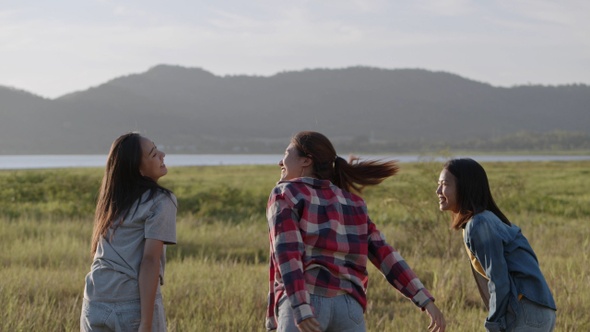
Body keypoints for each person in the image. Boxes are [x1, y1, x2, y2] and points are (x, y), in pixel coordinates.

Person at [266, 131, 446, 332]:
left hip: (307, 302)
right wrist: (423, 298)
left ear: (306, 161)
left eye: (286, 154)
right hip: (349, 310)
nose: (280, 163)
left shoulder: (285, 193)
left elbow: (287, 255)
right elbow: (385, 254)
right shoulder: (353, 202)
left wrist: (300, 307)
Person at [436, 158, 556, 332]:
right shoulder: (485, 220)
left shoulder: (479, 224)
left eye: (445, 184)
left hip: (526, 314)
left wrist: (492, 323)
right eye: (439, 184)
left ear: (465, 187)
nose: (438, 190)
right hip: (537, 311)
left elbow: (499, 280)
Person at [80, 132, 177, 332]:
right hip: (131, 303)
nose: (162, 154)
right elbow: (149, 261)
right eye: (153, 154)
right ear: (138, 170)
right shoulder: (160, 200)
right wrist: (146, 324)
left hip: (94, 299)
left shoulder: (111, 199)